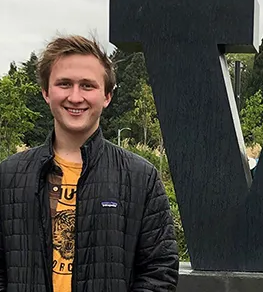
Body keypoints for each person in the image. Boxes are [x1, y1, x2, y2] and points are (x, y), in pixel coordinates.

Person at [0, 35, 179, 291]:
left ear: (106, 96)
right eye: (64, 84)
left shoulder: (141, 178)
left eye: (87, 86)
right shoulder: (8, 176)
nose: (75, 97)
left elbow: (159, 272)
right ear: (45, 92)